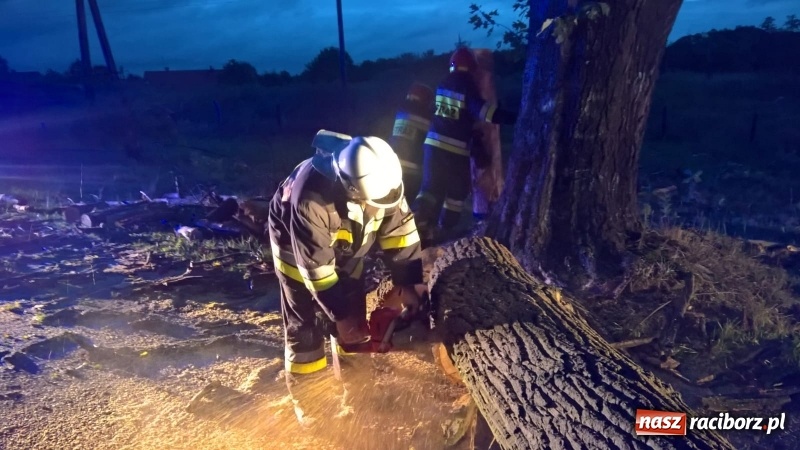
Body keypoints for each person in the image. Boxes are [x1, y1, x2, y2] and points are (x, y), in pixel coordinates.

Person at [267, 129, 425, 427]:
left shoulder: (384, 180)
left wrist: (408, 284)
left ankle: (359, 395)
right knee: (306, 328)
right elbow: (316, 270)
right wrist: (338, 315)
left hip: (347, 248)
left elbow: (401, 234)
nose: (381, 206)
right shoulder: (310, 199)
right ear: (351, 189)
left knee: (355, 320)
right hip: (298, 253)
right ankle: (313, 410)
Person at [412, 47, 517, 243]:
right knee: (457, 192)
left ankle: (417, 227)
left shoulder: (443, 83)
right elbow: (484, 112)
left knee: (429, 189)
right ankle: (445, 229)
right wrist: (513, 117)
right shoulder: (467, 84)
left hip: (432, 147)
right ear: (472, 68)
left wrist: (470, 130)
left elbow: (453, 115)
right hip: (454, 150)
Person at [388, 82, 435, 202]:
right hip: (413, 171)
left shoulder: (401, 110)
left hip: (391, 165)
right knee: (408, 203)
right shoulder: (426, 115)